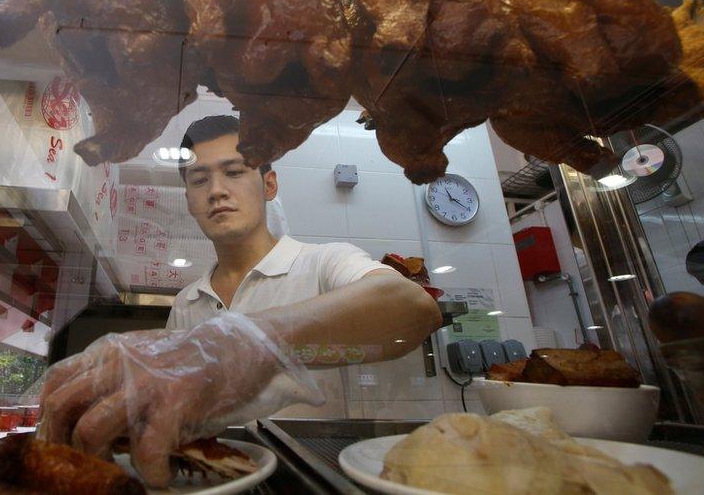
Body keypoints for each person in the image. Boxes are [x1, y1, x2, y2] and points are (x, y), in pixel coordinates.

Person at [42, 115, 441, 487]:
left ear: (269, 185)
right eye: (199, 180)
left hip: (312, 479)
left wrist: (242, 339)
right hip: (214, 480)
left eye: (234, 172)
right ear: (189, 202)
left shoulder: (322, 263)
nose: (216, 191)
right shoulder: (188, 302)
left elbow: (413, 306)